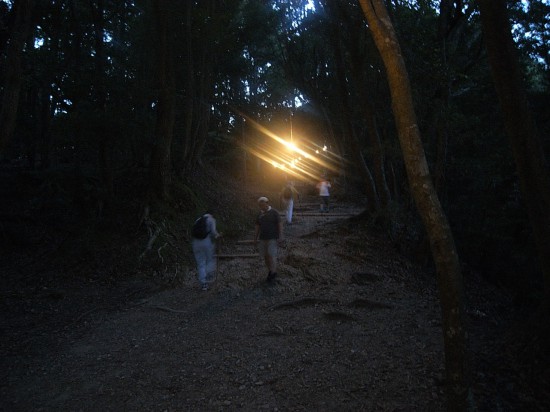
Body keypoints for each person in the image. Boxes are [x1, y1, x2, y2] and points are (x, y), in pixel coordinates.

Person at [254, 196, 283, 282]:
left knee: (271, 255)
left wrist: (281, 236)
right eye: (261, 205)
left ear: (267, 203)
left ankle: (273, 273)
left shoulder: (274, 212)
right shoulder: (259, 214)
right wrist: (255, 238)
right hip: (263, 238)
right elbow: (257, 226)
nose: (263, 206)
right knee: (266, 257)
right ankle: (271, 271)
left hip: (272, 237)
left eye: (264, 204)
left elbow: (280, 224)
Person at [191, 211, 221, 291]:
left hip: (195, 243)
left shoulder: (198, 219)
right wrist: (218, 236)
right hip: (206, 242)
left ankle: (204, 284)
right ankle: (209, 277)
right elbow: (214, 232)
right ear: (212, 214)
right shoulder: (211, 219)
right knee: (210, 260)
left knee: (200, 264)